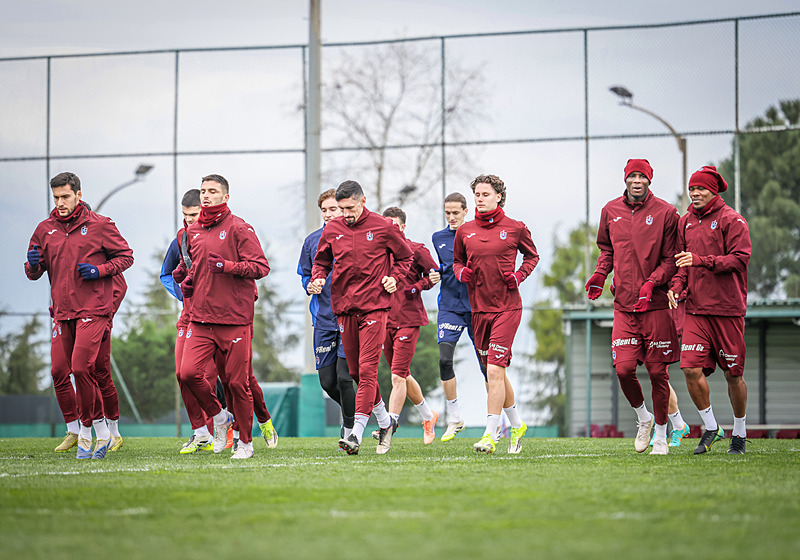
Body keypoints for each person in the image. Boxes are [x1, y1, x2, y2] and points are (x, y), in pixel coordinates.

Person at [25, 172, 133, 459]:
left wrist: (100, 270)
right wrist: (33, 265)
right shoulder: (44, 229)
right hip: (62, 313)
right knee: (63, 371)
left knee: (85, 368)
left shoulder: (100, 225)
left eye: (65, 196)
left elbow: (126, 257)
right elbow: (33, 272)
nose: (60, 202)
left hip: (94, 310)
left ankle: (91, 430)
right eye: (56, 197)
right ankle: (90, 430)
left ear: (78, 195)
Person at [309, 180, 413, 455]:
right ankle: (385, 421)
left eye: (350, 207)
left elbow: (406, 258)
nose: (345, 214)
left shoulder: (383, 227)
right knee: (354, 372)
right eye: (341, 209)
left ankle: (355, 434)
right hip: (344, 309)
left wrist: (395, 277)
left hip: (375, 308)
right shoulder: (332, 229)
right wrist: (318, 278)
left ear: (363, 201)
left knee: (367, 371)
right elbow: (321, 262)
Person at [585, 159, 681, 455]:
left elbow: (671, 259)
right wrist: (601, 275)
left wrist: (652, 284)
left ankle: (663, 436)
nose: (637, 180)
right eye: (632, 176)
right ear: (625, 179)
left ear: (649, 180)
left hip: (655, 307)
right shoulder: (610, 211)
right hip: (624, 307)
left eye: (642, 176)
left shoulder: (666, 212)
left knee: (656, 373)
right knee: (624, 369)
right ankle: (644, 419)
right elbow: (607, 250)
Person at [173, 174, 270, 460]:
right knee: (186, 373)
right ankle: (218, 417)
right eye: (203, 191)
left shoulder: (240, 227)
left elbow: (261, 267)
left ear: (225, 197)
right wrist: (188, 280)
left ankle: (245, 444)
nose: (206, 195)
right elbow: (195, 268)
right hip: (201, 319)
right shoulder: (193, 231)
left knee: (237, 383)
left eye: (212, 191)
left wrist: (228, 266)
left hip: (235, 320)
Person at [668, 165, 751, 455]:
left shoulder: (733, 220)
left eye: (700, 188)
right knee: (689, 367)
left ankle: (739, 433)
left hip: (727, 310)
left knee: (733, 375)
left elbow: (740, 259)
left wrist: (703, 261)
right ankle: (712, 428)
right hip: (696, 311)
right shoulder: (685, 222)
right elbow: (682, 263)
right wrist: (676, 287)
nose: (695, 193)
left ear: (713, 190)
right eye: (692, 188)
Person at [453, 174, 538, 454]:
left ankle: (490, 434)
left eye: (485, 194)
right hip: (479, 310)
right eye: (476, 194)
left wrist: (519, 275)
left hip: (507, 308)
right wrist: (460, 272)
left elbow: (532, 256)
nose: (480, 199)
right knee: (494, 373)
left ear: (499, 196)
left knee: (493, 370)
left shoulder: (515, 228)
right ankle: (517, 424)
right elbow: (457, 261)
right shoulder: (464, 231)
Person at [375, 206, 440, 452]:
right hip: (384, 320)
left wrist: (418, 286)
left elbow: (434, 274)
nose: (389, 229)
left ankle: (389, 426)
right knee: (402, 373)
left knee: (396, 377)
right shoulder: (379, 254)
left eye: (393, 224)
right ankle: (428, 415)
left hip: (409, 320)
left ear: (402, 227)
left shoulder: (416, 249)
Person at [297, 188, 357, 440]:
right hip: (322, 319)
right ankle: (354, 411)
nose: (328, 214)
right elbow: (305, 273)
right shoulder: (312, 241)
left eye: (333, 209)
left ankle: (351, 428)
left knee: (345, 378)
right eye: (324, 210)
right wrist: (309, 286)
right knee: (327, 382)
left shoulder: (355, 237)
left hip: (350, 317)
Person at [431, 192, 487, 442]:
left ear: (466, 211)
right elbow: (445, 267)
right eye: (447, 213)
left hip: (477, 307)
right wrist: (435, 274)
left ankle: (498, 422)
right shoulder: (438, 238)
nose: (452, 217)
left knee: (489, 367)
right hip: (450, 307)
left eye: (456, 212)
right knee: (444, 360)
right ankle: (455, 418)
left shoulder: (478, 233)